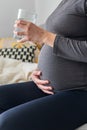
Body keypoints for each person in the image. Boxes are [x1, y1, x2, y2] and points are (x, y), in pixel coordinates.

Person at [0, 0, 87, 129]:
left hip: (79, 92)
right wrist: (39, 70)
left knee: (6, 123)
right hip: (46, 86)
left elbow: (49, 38)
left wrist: (44, 36)